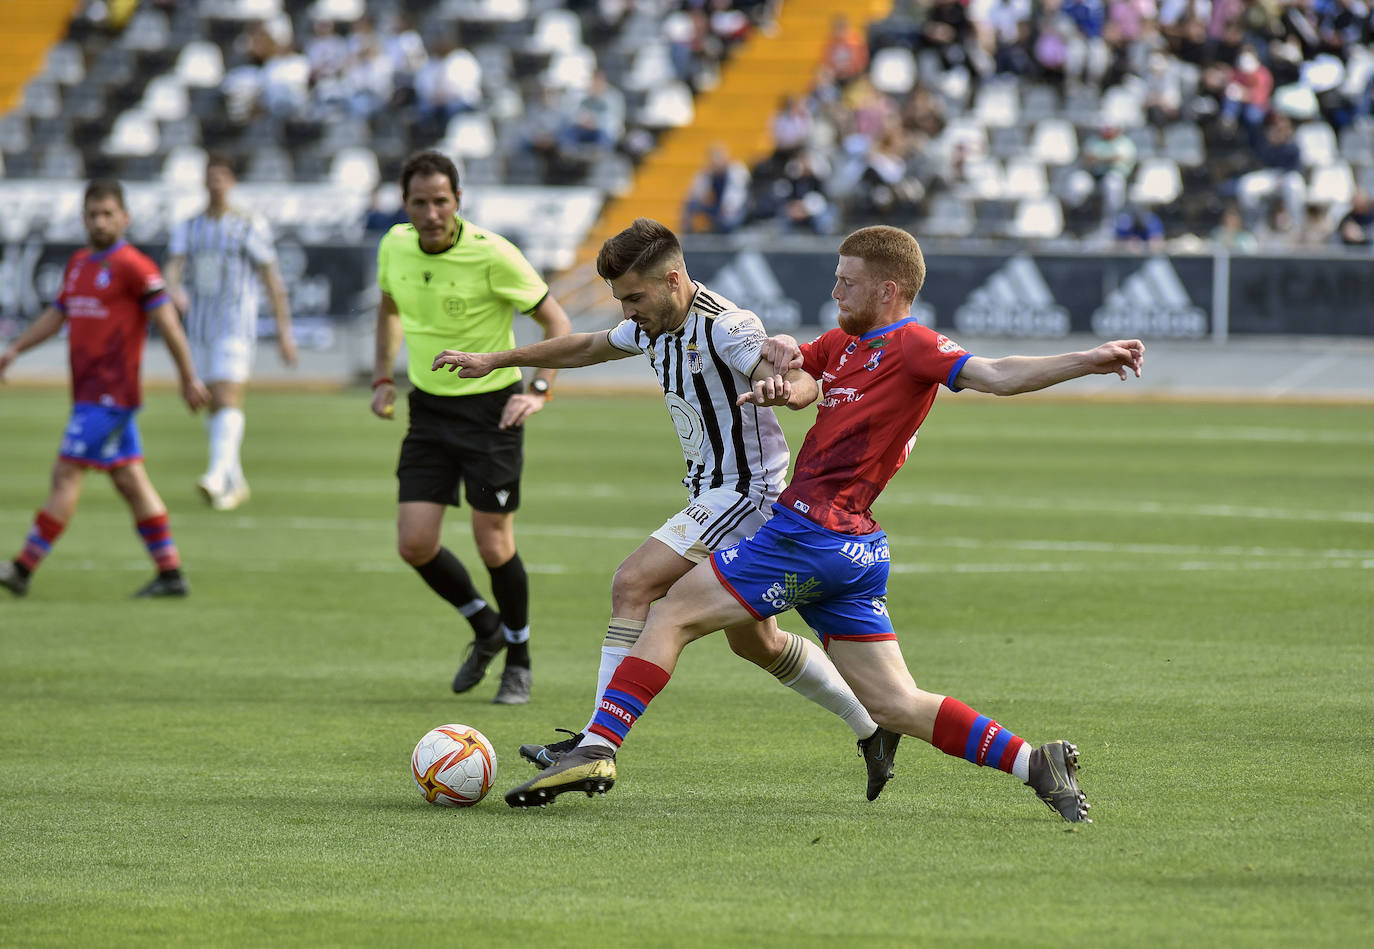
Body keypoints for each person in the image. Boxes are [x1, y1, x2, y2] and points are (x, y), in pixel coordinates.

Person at [507, 225, 1147, 822]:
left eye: (846, 281)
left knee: (667, 610)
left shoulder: (914, 345)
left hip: (808, 534)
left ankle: (598, 746)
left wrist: (1089, 359)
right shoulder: (842, 344)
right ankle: (1036, 762)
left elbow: (998, 375)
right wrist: (782, 376)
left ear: (887, 289)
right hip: (855, 546)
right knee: (894, 703)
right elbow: (802, 379)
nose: (833, 290)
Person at [432, 218, 902, 800]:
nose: (626, 311)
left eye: (633, 297)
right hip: (714, 492)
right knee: (758, 643)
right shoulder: (653, 323)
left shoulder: (725, 325)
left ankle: (595, 745)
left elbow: (790, 377)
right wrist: (498, 359)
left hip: (746, 492)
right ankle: (872, 726)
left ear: (673, 279)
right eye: (620, 299)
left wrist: (786, 388)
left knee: (633, 583)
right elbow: (587, 344)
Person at [372, 150, 572, 705]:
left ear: (458, 201)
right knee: (414, 544)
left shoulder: (493, 255)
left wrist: (538, 389)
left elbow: (556, 321)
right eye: (420, 202)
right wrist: (380, 379)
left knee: (493, 543)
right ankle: (484, 626)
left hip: (491, 415)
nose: (431, 212)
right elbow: (388, 309)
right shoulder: (393, 245)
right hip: (428, 413)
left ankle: (520, 656)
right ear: (404, 203)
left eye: (441, 201)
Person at [0, 179, 209, 599]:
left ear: (124, 218)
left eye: (108, 214)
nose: (100, 222)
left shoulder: (135, 266)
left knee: (66, 473)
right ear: (83, 218)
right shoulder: (79, 263)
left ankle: (22, 568)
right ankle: (171, 575)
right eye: (93, 214)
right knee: (130, 479)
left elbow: (167, 323)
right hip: (89, 392)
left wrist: (188, 377)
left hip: (111, 395)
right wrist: (16, 348)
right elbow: (58, 314)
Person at [164, 153, 296, 512]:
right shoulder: (189, 225)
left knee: (226, 394)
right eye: (211, 176)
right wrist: (173, 289)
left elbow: (271, 277)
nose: (216, 183)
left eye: (222, 176)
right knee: (212, 402)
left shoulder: (248, 225)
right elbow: (174, 266)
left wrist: (285, 330)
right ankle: (233, 481)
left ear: (232, 181)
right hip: (200, 326)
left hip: (235, 323)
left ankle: (216, 474)